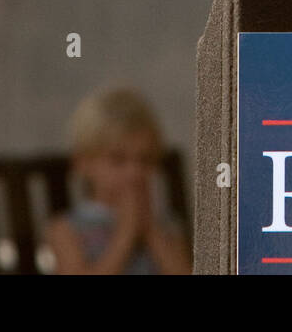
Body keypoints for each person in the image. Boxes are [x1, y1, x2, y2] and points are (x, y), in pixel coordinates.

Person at [44, 87, 191, 274]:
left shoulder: (167, 225)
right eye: (118, 160)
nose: (134, 172)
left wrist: (151, 232)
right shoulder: (66, 230)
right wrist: (126, 233)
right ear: (83, 163)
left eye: (145, 160)